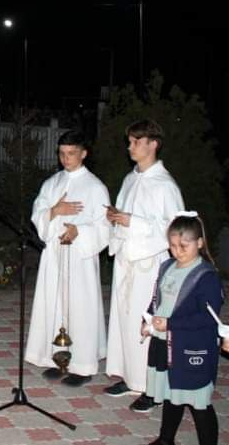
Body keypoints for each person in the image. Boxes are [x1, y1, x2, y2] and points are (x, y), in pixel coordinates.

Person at [104, 119, 184, 412]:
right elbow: (125, 215)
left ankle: (152, 387)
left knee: (148, 324)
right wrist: (116, 218)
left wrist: (132, 222)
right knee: (125, 321)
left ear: (153, 144)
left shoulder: (165, 185)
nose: (130, 147)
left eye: (136, 142)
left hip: (150, 264)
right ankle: (129, 376)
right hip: (127, 260)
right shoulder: (130, 179)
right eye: (130, 141)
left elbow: (176, 228)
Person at [24, 131, 110, 387]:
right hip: (54, 256)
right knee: (54, 304)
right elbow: (38, 214)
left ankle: (83, 365)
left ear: (84, 153)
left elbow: (104, 226)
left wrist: (79, 232)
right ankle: (56, 359)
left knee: (80, 307)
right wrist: (54, 211)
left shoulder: (96, 187)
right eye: (62, 153)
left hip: (80, 259)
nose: (66, 158)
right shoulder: (51, 184)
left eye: (71, 153)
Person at [142, 213, 222, 445]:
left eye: (183, 246)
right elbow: (157, 298)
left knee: (198, 402)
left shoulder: (206, 277)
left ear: (199, 243)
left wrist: (171, 324)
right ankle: (166, 439)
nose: (177, 251)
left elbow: (208, 318)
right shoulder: (167, 266)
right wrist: (148, 319)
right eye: (173, 246)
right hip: (164, 342)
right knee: (171, 394)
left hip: (191, 346)